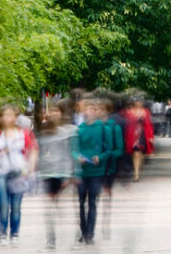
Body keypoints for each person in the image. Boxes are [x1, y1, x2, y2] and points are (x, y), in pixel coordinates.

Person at [73, 98, 114, 245]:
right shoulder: (79, 130)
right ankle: (83, 231)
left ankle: (90, 233)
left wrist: (100, 157)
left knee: (92, 202)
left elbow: (109, 150)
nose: (90, 112)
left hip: (96, 171)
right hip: (82, 171)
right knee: (81, 203)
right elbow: (73, 149)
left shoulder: (104, 129)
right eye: (87, 109)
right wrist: (77, 157)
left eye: (93, 109)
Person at [38, 100, 77, 249]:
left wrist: (68, 175)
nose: (54, 114)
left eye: (57, 111)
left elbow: (68, 154)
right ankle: (51, 239)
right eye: (52, 111)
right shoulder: (45, 132)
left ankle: (73, 236)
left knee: (61, 207)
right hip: (48, 173)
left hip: (61, 173)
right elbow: (41, 153)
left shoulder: (66, 132)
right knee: (49, 208)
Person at [0, 104, 39, 247]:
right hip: (2, 172)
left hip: (18, 172)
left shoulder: (23, 133)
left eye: (10, 115)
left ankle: (14, 233)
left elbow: (33, 149)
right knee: (3, 205)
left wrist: (31, 168)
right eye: (5, 115)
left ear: (16, 117)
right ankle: (2, 233)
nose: (7, 118)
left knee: (16, 205)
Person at [96, 96, 124, 240]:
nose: (98, 112)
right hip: (93, 168)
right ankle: (90, 228)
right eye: (97, 109)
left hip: (108, 167)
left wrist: (107, 154)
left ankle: (105, 225)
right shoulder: (91, 126)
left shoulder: (114, 128)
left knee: (106, 197)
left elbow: (120, 149)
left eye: (101, 109)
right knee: (93, 198)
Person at [122, 96, 155, 182]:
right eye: (137, 101)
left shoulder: (145, 112)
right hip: (131, 135)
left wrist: (150, 137)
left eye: (140, 101)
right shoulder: (129, 112)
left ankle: (136, 173)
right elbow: (126, 125)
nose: (138, 103)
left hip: (142, 135)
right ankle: (136, 172)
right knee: (134, 153)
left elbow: (149, 124)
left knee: (138, 153)